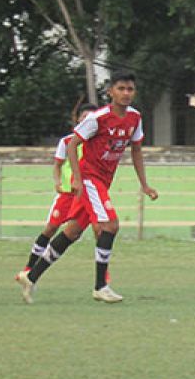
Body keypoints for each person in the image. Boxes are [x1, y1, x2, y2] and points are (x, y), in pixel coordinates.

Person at [17, 73, 159, 304]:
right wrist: (77, 178)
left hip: (104, 180)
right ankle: (100, 286)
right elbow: (73, 145)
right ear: (110, 92)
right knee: (111, 224)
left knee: (71, 232)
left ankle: (31, 277)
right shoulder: (98, 117)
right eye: (121, 88)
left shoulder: (135, 118)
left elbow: (136, 150)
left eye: (130, 89)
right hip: (90, 178)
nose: (126, 93)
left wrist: (144, 184)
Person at [15, 102, 98, 299]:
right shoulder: (68, 141)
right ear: (78, 119)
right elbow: (58, 165)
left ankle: (103, 280)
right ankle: (28, 269)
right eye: (85, 117)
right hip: (68, 194)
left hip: (87, 194)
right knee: (51, 229)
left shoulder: (96, 144)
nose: (88, 121)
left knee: (97, 230)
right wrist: (57, 182)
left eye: (92, 118)